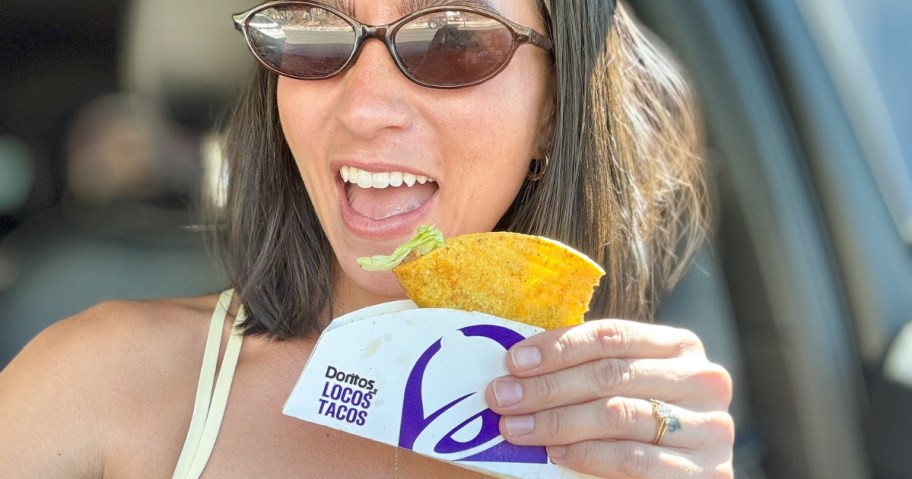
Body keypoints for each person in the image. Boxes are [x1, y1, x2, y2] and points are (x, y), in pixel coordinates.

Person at [0, 0, 734, 477]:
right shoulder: (101, 383)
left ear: (552, 108)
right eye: (316, 30)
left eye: (451, 39)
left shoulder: (617, 443)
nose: (366, 108)